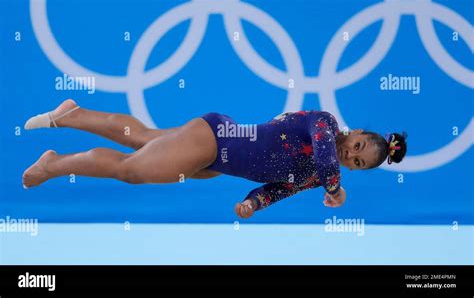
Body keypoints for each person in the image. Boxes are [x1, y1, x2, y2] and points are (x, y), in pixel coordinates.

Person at [22, 99, 407, 219]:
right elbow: (325, 152)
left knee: (140, 137)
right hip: (217, 141)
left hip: (215, 160)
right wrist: (336, 188)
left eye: (356, 162)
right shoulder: (324, 123)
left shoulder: (317, 175)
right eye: (356, 147)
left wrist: (253, 203)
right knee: (132, 170)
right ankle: (54, 164)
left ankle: (73, 115)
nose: (348, 155)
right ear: (355, 133)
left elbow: (281, 189)